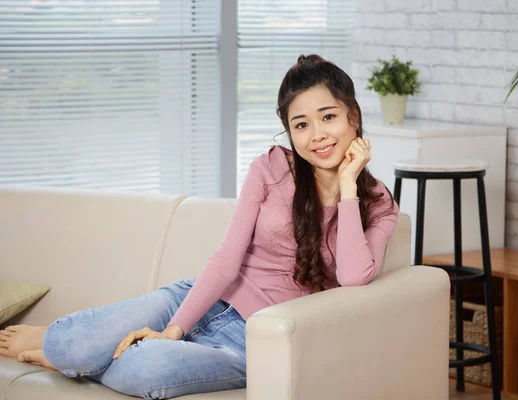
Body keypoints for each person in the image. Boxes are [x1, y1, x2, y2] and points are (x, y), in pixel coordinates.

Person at [0, 54, 399, 399]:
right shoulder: (271, 168)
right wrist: (174, 329)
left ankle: (81, 361)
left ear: (354, 116)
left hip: (254, 341)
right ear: (290, 132)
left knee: (142, 371)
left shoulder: (378, 205)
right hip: (200, 299)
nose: (317, 136)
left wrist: (348, 190)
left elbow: (352, 278)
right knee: (68, 342)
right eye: (301, 124)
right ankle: (71, 352)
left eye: (327, 117)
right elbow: (228, 257)